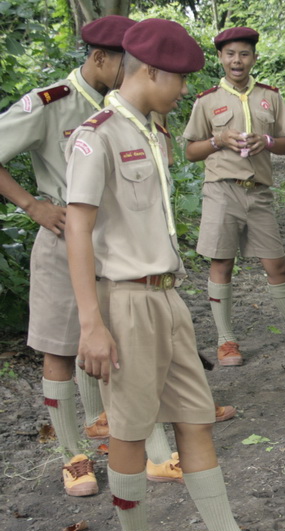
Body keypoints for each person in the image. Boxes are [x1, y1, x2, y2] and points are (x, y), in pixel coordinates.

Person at [64, 17, 285, 531]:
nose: (186, 90)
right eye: (180, 80)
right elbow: (77, 229)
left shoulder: (152, 132)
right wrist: (92, 324)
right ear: (150, 71)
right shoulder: (98, 135)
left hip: (167, 298)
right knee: (128, 427)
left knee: (195, 418)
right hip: (125, 301)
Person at [0, 15, 200, 496]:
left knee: (128, 351)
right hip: (66, 237)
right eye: (123, 59)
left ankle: (148, 450)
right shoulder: (52, 103)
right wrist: (32, 205)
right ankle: (73, 455)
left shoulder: (137, 110)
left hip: (122, 247)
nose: (132, 67)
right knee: (60, 346)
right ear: (100, 57)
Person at [183, 26, 285, 368]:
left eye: (244, 54)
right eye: (230, 54)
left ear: (254, 58)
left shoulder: (270, 96)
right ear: (220, 57)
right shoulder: (207, 100)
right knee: (222, 263)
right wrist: (218, 140)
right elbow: (190, 151)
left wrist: (267, 141)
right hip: (221, 190)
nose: (237, 61)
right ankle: (226, 341)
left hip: (258, 193)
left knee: (277, 264)